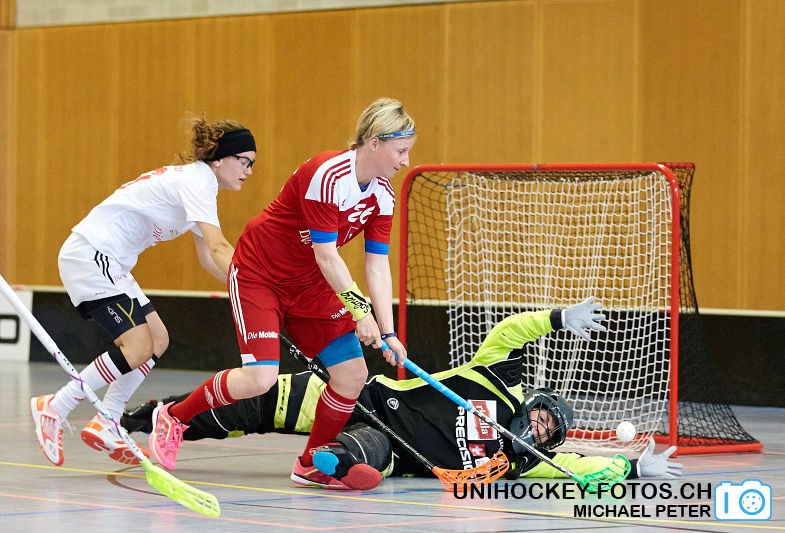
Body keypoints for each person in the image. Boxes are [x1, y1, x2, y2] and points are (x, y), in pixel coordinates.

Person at [149, 98, 415, 490]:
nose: (405, 161)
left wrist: (388, 331)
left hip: (311, 286)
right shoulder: (326, 174)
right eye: (401, 151)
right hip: (261, 275)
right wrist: (361, 313)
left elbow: (376, 264)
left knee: (352, 375)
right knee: (260, 378)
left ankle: (311, 462)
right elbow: (327, 254)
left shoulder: (383, 195)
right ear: (374, 142)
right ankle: (173, 416)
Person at [126, 300, 682, 484]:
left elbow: (582, 469)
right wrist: (558, 317)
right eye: (539, 419)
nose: (536, 431)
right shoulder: (500, 381)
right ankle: (148, 417)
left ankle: (326, 462)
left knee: (367, 456)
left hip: (387, 443)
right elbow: (510, 332)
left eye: (546, 434)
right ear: (531, 404)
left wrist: (631, 470)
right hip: (365, 394)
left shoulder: (523, 462)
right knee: (252, 404)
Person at [30, 116, 256, 467]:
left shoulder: (199, 184)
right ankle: (55, 406)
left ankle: (108, 420)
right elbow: (219, 247)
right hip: (92, 254)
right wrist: (257, 287)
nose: (249, 171)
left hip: (113, 263)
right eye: (245, 161)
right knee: (137, 346)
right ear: (221, 158)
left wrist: (241, 289)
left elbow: (209, 259)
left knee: (158, 340)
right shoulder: (197, 181)